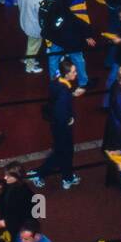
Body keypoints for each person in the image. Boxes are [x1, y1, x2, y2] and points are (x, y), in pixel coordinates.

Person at [28, 59, 82, 190]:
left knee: (65, 151)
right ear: (66, 74)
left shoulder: (57, 81)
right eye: (73, 72)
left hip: (56, 124)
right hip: (62, 126)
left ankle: (67, 176)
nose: (76, 73)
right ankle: (39, 173)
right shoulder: (64, 92)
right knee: (62, 152)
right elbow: (61, 111)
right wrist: (70, 119)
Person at [17, 0, 45, 73]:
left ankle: (28, 59)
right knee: (34, 46)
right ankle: (30, 67)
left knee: (30, 44)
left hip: (24, 21)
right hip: (34, 27)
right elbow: (42, 14)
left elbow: (19, 3)